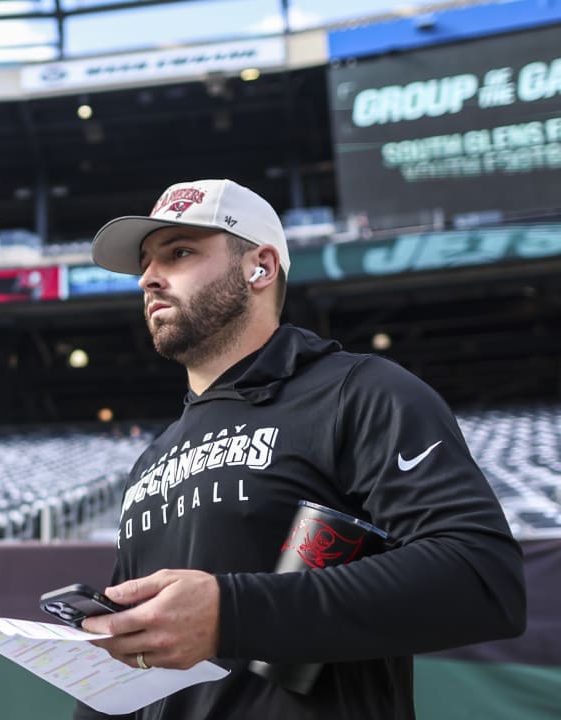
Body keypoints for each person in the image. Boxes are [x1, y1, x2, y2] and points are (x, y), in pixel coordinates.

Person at [76, 179, 526, 719]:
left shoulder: (360, 391)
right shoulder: (153, 459)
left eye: (179, 252)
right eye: (146, 263)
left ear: (259, 267)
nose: (149, 277)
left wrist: (230, 613)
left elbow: (483, 579)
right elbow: (130, 664)